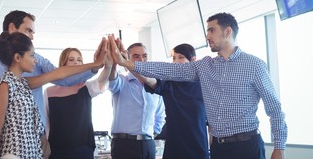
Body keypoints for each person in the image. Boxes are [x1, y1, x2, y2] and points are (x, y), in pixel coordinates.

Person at [108, 12, 288, 159]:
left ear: (227, 31)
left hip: (247, 146)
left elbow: (275, 109)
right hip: (218, 148)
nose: (207, 36)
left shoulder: (254, 65)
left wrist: (279, 148)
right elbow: (168, 70)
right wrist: (129, 64)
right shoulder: (204, 66)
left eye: (211, 30)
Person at [0, 10, 103, 159]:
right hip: (12, 151)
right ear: (18, 57)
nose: (35, 59)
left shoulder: (25, 82)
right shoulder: (3, 84)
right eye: (29, 30)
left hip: (35, 146)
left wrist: (96, 64)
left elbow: (59, 74)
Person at [136, 43, 209, 159]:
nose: (175, 62)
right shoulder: (168, 85)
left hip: (199, 150)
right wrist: (130, 64)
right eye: (174, 58)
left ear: (193, 60)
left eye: (180, 57)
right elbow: (148, 80)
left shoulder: (204, 87)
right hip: (174, 150)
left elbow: (211, 125)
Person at [43, 47, 113, 159]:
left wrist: (108, 65)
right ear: (63, 63)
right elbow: (46, 123)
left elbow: (103, 79)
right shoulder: (49, 92)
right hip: (57, 150)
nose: (76, 62)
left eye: (79, 60)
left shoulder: (86, 87)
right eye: (71, 59)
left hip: (83, 149)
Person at [108, 42, 165, 159]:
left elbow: (160, 116)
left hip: (147, 144)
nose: (142, 60)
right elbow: (112, 81)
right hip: (124, 145)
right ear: (127, 59)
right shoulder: (122, 80)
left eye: (144, 56)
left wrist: (150, 135)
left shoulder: (155, 85)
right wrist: (115, 62)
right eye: (136, 56)